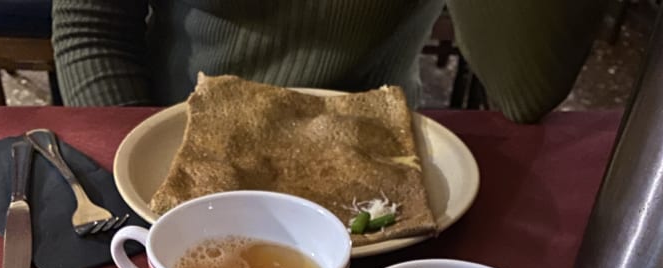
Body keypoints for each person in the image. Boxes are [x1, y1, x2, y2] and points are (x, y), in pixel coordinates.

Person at [51, 0, 609, 123]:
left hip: (377, 171)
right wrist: (144, 156)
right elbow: (91, 28)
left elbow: (523, 89)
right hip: (174, 139)